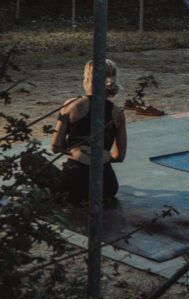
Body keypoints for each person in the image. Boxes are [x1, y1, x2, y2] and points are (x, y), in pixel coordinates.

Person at [23, 59, 127, 205]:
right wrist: (101, 156)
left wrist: (76, 152)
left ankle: (63, 191)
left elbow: (55, 146)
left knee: (28, 159)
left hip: (74, 178)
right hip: (107, 186)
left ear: (88, 80)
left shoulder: (72, 105)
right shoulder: (118, 113)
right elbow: (119, 156)